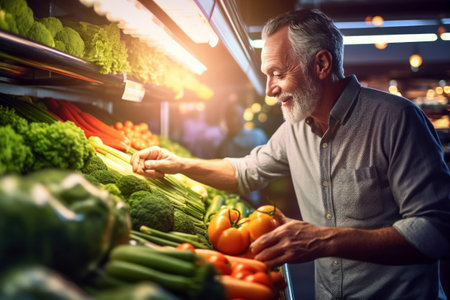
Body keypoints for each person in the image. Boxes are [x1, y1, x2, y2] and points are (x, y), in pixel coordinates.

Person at [131, 9, 450, 299]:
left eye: (278, 73)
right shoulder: (295, 128)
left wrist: (324, 240)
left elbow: (435, 230)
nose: (269, 90)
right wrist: (179, 164)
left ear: (321, 64)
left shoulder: (397, 119)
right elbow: (246, 171)